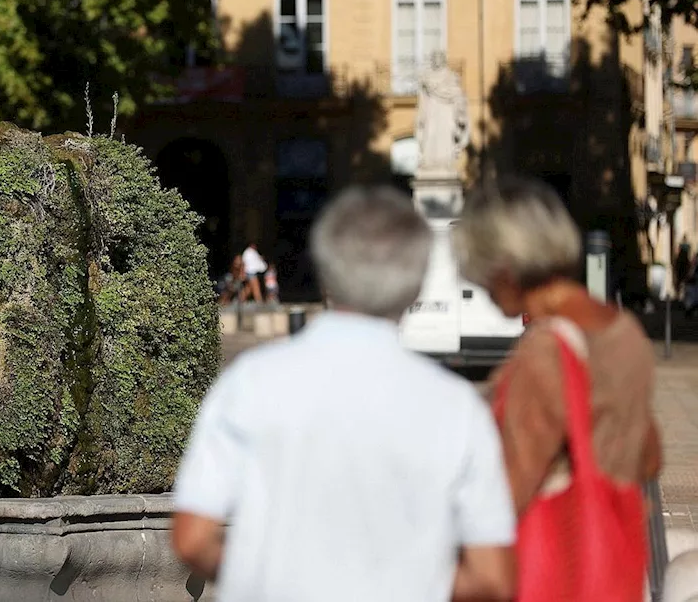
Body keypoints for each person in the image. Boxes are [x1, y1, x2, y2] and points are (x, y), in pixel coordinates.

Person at [173, 186, 515, 601]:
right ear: (416, 283)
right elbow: (491, 577)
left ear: (326, 271)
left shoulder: (251, 382)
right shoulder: (457, 408)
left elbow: (192, 539)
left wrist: (262, 575)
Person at [453, 177, 659, 599]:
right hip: (613, 567)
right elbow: (649, 456)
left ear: (506, 270)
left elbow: (506, 497)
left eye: (483, 276)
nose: (485, 291)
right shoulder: (625, 332)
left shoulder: (546, 352)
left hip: (552, 574)